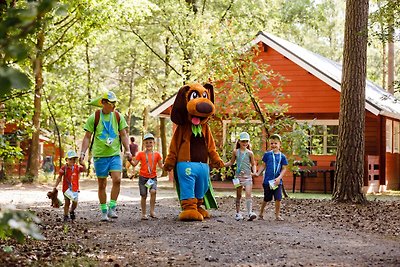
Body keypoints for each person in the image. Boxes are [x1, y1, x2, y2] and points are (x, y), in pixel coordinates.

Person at [79, 91, 132, 221]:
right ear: (103, 103)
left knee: (117, 180)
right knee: (102, 184)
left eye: (115, 103)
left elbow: (124, 135)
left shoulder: (118, 116)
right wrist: (82, 153)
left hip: (114, 154)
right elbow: (87, 137)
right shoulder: (94, 117)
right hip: (99, 155)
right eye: (110, 103)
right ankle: (103, 211)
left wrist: (128, 150)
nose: (113, 106)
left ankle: (112, 207)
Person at [224, 132, 257, 221]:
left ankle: (250, 212)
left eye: (246, 141)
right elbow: (231, 162)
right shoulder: (236, 152)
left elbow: (253, 164)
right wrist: (222, 165)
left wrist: (254, 172)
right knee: (238, 195)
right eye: (243, 141)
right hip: (238, 177)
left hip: (248, 177)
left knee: (248, 194)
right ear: (239, 141)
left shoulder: (250, 153)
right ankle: (238, 213)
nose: (245, 143)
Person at [254, 133, 288, 221]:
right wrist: (258, 173)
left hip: (277, 182)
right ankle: (261, 214)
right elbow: (263, 165)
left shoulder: (282, 157)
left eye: (275, 143)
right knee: (266, 198)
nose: (273, 145)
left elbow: (284, 169)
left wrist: (279, 178)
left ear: (280, 144)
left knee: (278, 198)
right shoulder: (267, 155)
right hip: (267, 181)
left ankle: (277, 215)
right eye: (272, 143)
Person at [130, 133, 163, 220]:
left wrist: (169, 164)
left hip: (152, 178)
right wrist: (129, 159)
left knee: (153, 191)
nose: (149, 144)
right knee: (143, 196)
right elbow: (134, 164)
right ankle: (144, 214)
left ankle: (152, 211)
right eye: (147, 142)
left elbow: (161, 166)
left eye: (150, 142)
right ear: (144, 143)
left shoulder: (157, 155)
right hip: (143, 178)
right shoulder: (140, 154)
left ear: (154, 143)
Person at [53, 150, 86, 222]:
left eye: (74, 159)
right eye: (70, 159)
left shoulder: (77, 167)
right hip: (66, 189)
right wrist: (55, 186)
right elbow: (59, 177)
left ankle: (71, 210)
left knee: (75, 202)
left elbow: (84, 169)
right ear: (66, 160)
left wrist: (83, 163)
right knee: (67, 202)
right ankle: (65, 215)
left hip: (75, 188)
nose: (72, 161)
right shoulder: (64, 168)